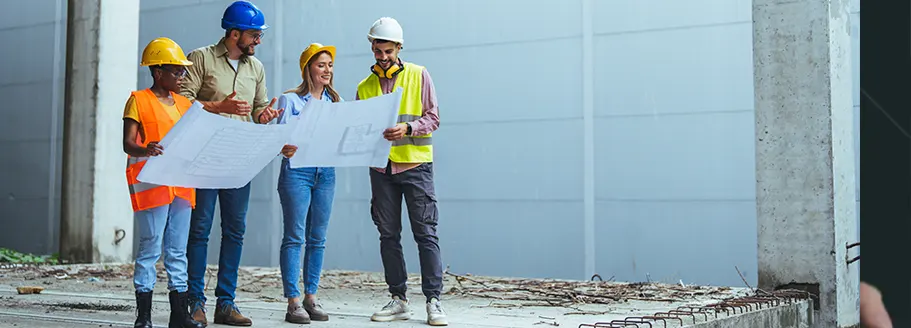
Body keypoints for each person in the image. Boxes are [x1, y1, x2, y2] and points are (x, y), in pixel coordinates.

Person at [179, 1, 283, 326]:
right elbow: (180, 103)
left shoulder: (256, 68)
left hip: (240, 161)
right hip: (206, 157)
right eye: (254, 35)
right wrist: (216, 105)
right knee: (199, 230)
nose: (258, 41)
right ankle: (195, 301)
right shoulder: (201, 58)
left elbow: (258, 108)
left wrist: (264, 116)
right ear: (234, 33)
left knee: (235, 231)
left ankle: (226, 303)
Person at [355, 17, 447, 326]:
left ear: (398, 48)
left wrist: (407, 127)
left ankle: (434, 301)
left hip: (415, 167)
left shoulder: (420, 75)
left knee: (426, 234)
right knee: (388, 235)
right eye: (377, 51)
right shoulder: (364, 87)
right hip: (381, 170)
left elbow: (433, 118)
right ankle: (398, 299)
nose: (382, 58)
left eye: (387, 52)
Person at [123, 37, 208, 328]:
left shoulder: (186, 104)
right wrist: (146, 149)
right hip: (152, 184)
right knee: (150, 246)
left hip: (181, 185)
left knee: (177, 251)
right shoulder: (138, 100)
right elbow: (128, 144)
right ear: (158, 72)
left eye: (183, 71)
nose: (182, 76)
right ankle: (143, 317)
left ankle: (179, 316)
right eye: (177, 71)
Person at [274, 43, 342, 324]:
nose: (327, 70)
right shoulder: (289, 101)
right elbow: (276, 140)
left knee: (318, 239)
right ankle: (292, 301)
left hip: (325, 173)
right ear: (307, 69)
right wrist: (283, 146)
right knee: (294, 236)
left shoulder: (335, 103)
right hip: (297, 172)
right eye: (321, 65)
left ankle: (310, 297)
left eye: (329, 65)